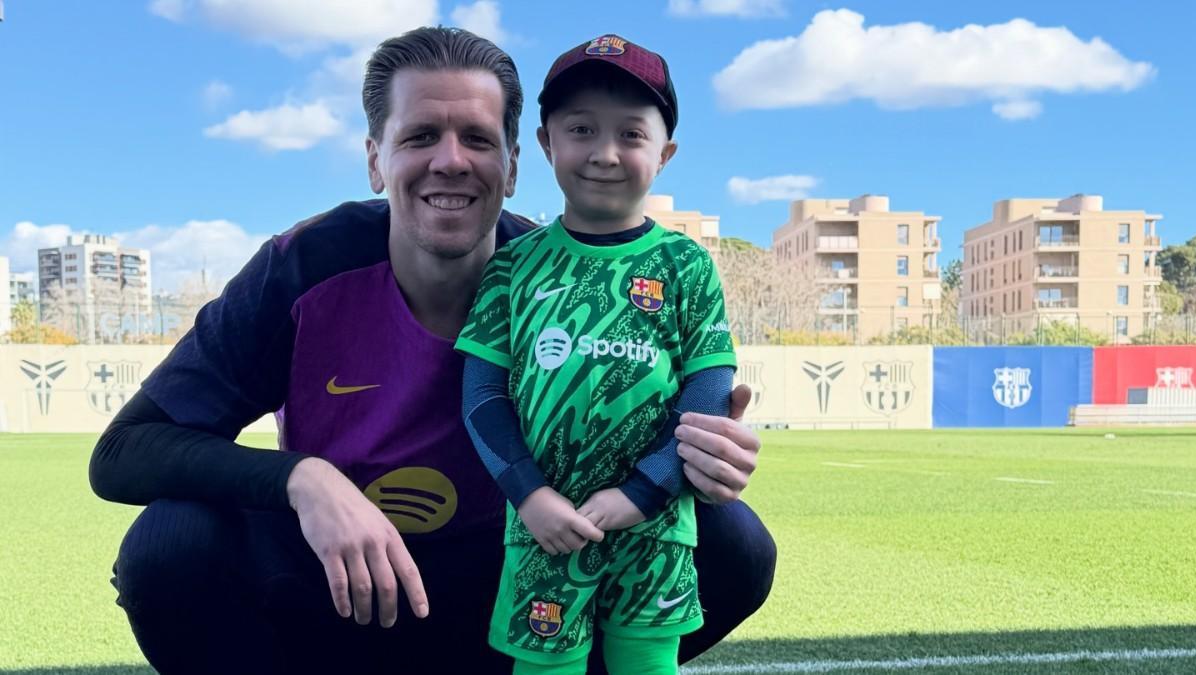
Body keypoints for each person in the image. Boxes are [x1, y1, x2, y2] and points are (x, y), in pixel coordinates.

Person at [89, 26, 775, 674]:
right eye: (420, 135)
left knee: (732, 542)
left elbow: (667, 421)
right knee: (169, 545)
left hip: (517, 577)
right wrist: (303, 479)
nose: (450, 160)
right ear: (374, 158)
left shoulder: (571, 277)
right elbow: (125, 451)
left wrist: (701, 451)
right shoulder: (301, 267)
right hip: (339, 590)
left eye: (477, 138)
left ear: (511, 166)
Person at [456, 34, 733, 675]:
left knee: (646, 664)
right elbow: (481, 396)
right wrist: (530, 497)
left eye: (631, 135)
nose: (605, 154)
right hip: (544, 526)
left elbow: (708, 393)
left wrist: (643, 492)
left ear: (663, 155)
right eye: (581, 130)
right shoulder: (512, 266)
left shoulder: (686, 265)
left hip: (656, 524)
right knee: (545, 665)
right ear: (548, 143)